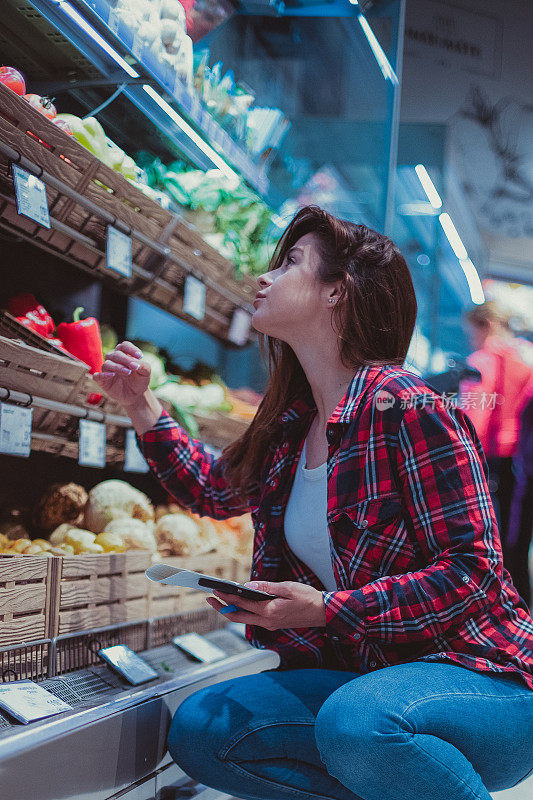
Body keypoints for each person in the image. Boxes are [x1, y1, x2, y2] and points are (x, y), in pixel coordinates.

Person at [94, 207, 533, 800]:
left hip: (483, 682)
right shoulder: (292, 427)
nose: (265, 278)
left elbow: (473, 571)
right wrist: (141, 406)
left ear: (337, 292)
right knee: (203, 730)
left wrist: (330, 609)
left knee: (356, 724)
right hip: (371, 686)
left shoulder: (407, 408)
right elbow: (211, 491)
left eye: (290, 263)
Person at [460, 302, 533, 607]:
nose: (471, 341)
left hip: (489, 460)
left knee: (487, 543)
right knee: (516, 543)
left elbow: (474, 416)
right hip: (523, 460)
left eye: (472, 334)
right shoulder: (527, 354)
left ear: (485, 326)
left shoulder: (483, 360)